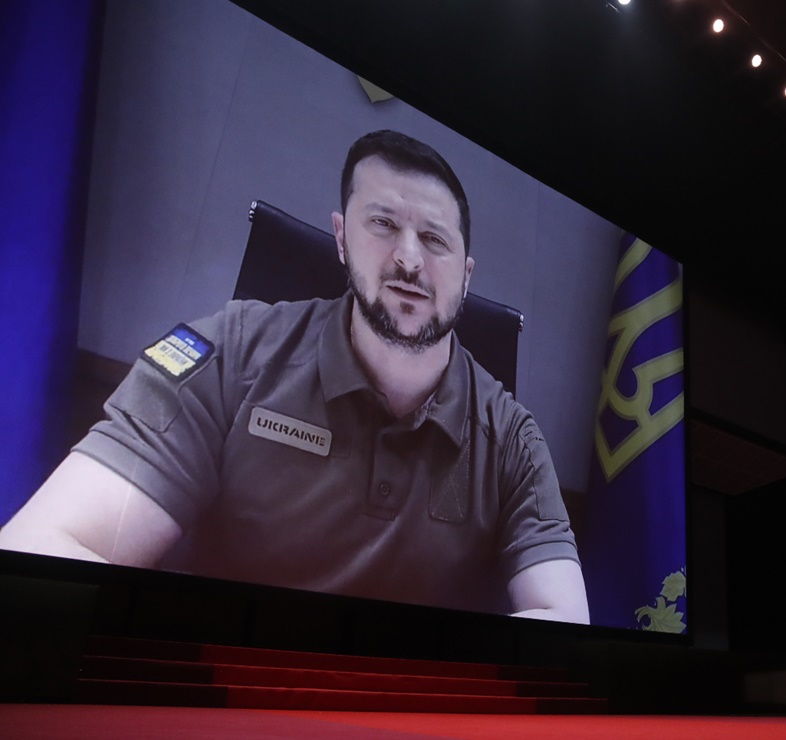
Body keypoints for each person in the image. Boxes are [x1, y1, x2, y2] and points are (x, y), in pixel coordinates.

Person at [0, 130, 589, 624]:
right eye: (383, 224)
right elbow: (46, 546)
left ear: (464, 273)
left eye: (434, 239)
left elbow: (560, 624)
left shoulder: (513, 438)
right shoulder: (230, 354)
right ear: (341, 238)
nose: (409, 259)